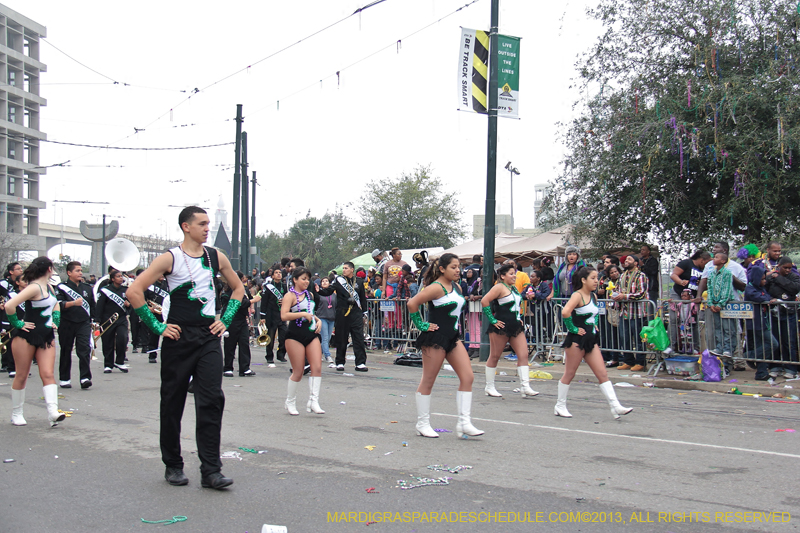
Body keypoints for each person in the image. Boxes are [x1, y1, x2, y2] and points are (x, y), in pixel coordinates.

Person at [127, 206, 243, 490]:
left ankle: (211, 470)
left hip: (208, 338)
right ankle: (173, 465)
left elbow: (239, 289)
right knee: (172, 401)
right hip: (178, 339)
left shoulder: (216, 256)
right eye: (202, 224)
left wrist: (225, 320)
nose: (207, 228)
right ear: (185, 226)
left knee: (212, 399)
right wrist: (158, 327)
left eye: (208, 223)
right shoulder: (170, 258)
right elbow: (134, 291)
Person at [407, 253, 484, 439]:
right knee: (428, 380)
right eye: (453, 267)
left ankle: (464, 422)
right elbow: (412, 303)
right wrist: (422, 325)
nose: (458, 270)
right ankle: (422, 423)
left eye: (459, 267)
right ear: (442, 269)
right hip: (435, 338)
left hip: (453, 338)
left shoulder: (456, 287)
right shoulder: (436, 287)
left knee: (468, 377)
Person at [555, 265, 633, 419]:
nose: (597, 281)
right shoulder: (577, 295)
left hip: (591, 340)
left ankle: (615, 405)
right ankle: (560, 405)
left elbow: (595, 313)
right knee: (569, 373)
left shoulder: (594, 296)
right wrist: (574, 329)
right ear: (583, 280)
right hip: (576, 341)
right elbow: (565, 312)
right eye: (593, 278)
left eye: (597, 278)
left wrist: (594, 323)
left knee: (602, 373)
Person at [5, 256, 66, 427]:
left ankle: (53, 412)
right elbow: (10, 305)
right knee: (22, 375)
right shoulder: (33, 287)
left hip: (46, 335)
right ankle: (16, 413)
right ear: (48, 269)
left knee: (48, 373)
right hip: (26, 336)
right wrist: (18, 323)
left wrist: (56, 319)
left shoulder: (50, 287)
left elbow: (55, 305)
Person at [481, 263, 539, 399]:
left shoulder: (513, 289)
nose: (514, 276)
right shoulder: (499, 287)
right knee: (495, 356)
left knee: (524, 354)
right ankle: (489, 386)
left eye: (515, 273)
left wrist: (518, 318)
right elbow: (485, 301)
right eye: (511, 274)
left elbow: (516, 305)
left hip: (515, 326)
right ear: (502, 276)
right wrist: (493, 320)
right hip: (500, 326)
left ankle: (525, 386)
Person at [281, 267, 325, 415]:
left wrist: (318, 320)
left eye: (308, 279)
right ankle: (290, 401)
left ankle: (313, 401)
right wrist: (302, 314)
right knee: (298, 371)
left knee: (317, 367)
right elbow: (284, 315)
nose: (306, 281)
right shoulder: (289, 296)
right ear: (295, 279)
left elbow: (311, 314)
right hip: (294, 334)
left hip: (311, 333)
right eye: (303, 278)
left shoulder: (310, 294)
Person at [318, 262, 369, 372]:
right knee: (341, 338)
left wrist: (364, 312)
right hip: (342, 313)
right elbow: (329, 291)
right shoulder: (339, 281)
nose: (344, 270)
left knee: (358, 338)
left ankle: (360, 362)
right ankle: (340, 362)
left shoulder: (359, 281)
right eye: (343, 268)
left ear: (352, 269)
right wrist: (319, 291)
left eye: (346, 268)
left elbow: (362, 298)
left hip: (355, 313)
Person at [55, 261, 95, 389]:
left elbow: (93, 306)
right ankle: (65, 378)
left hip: (83, 323)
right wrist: (72, 303)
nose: (80, 273)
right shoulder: (61, 287)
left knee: (84, 349)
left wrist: (95, 321)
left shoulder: (87, 288)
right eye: (77, 271)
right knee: (66, 350)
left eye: (81, 271)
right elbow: (58, 305)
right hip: (66, 322)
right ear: (69, 273)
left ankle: (85, 378)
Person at [765, 256, 800, 379]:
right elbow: (765, 290)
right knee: (775, 341)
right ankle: (775, 366)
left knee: (789, 341)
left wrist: (779, 278)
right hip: (774, 314)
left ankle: (790, 368)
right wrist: (770, 299)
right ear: (779, 266)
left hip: (789, 314)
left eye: (790, 268)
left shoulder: (793, 277)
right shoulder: (770, 277)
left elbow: (794, 288)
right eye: (785, 268)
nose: (788, 270)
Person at [613, 255, 649, 372]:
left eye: (629, 259)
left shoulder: (641, 276)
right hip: (624, 312)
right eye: (626, 260)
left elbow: (641, 294)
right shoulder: (622, 276)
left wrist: (625, 296)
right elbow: (617, 289)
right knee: (625, 338)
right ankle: (628, 361)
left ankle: (640, 362)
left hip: (637, 312)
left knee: (639, 338)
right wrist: (615, 295)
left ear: (636, 263)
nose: (626, 261)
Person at [744, 266, 779, 381]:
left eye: (765, 279)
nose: (764, 281)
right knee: (773, 344)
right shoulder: (749, 288)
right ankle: (749, 356)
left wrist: (766, 298)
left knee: (763, 347)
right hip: (756, 323)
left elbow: (766, 296)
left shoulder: (761, 288)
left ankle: (761, 372)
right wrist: (766, 299)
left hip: (763, 321)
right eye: (762, 279)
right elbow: (759, 298)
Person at [95, 269, 131, 374]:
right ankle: (108, 364)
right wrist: (97, 320)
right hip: (107, 319)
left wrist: (129, 306)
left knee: (123, 338)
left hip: (121, 319)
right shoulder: (105, 290)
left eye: (121, 276)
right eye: (118, 276)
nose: (121, 278)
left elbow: (132, 303)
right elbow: (100, 306)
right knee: (107, 342)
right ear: (112, 279)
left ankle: (120, 361)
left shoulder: (126, 290)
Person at [222, 271, 255, 377]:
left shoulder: (243, 290)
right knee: (230, 344)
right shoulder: (229, 291)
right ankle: (228, 368)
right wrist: (252, 301)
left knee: (244, 343)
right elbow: (239, 303)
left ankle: (245, 368)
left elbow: (247, 299)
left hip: (242, 320)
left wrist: (251, 302)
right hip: (231, 320)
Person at [706, 253, 736, 357]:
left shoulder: (727, 273)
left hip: (725, 305)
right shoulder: (712, 274)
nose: (714, 258)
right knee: (718, 327)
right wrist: (710, 303)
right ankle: (719, 347)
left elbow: (727, 289)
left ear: (723, 261)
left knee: (727, 328)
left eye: (716, 257)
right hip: (714, 304)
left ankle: (728, 348)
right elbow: (709, 289)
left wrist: (721, 303)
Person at [260, 268, 288, 367]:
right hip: (271, 315)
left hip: (281, 314)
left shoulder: (284, 286)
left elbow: (288, 298)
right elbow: (264, 302)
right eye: (276, 273)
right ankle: (269, 356)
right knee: (270, 337)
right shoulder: (268, 287)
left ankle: (281, 355)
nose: (278, 274)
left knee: (284, 336)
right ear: (272, 276)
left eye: (280, 272)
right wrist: (262, 316)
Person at [0, 261, 23, 376]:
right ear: (11, 271)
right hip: (4, 313)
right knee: (7, 339)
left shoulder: (22, 287)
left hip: (17, 313)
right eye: (18, 269)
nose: (21, 270)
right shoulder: (4, 283)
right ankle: (6, 363)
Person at [143, 275, 170, 363]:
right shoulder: (149, 285)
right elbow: (143, 298)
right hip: (155, 312)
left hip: (166, 312)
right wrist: (148, 308)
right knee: (154, 334)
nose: (162, 275)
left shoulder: (168, 284)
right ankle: (152, 355)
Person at [316, 276, 336, 364]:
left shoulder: (333, 294)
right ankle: (327, 355)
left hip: (331, 317)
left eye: (326, 281)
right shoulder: (319, 293)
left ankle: (318, 354)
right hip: (322, 317)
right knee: (325, 337)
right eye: (323, 281)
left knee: (328, 337)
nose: (324, 282)